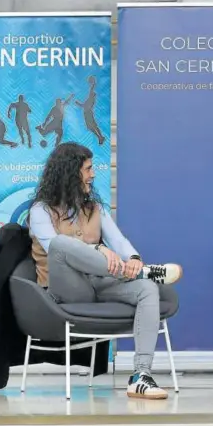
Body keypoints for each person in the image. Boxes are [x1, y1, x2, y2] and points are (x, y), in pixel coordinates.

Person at [28, 142, 183, 400]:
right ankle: (142, 272)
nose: (93, 174)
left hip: (100, 282)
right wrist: (99, 250)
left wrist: (132, 257)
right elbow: (53, 249)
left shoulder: (95, 209)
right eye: (88, 169)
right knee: (60, 244)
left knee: (147, 288)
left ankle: (141, 376)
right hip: (65, 290)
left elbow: (119, 241)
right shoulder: (40, 211)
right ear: (70, 172)